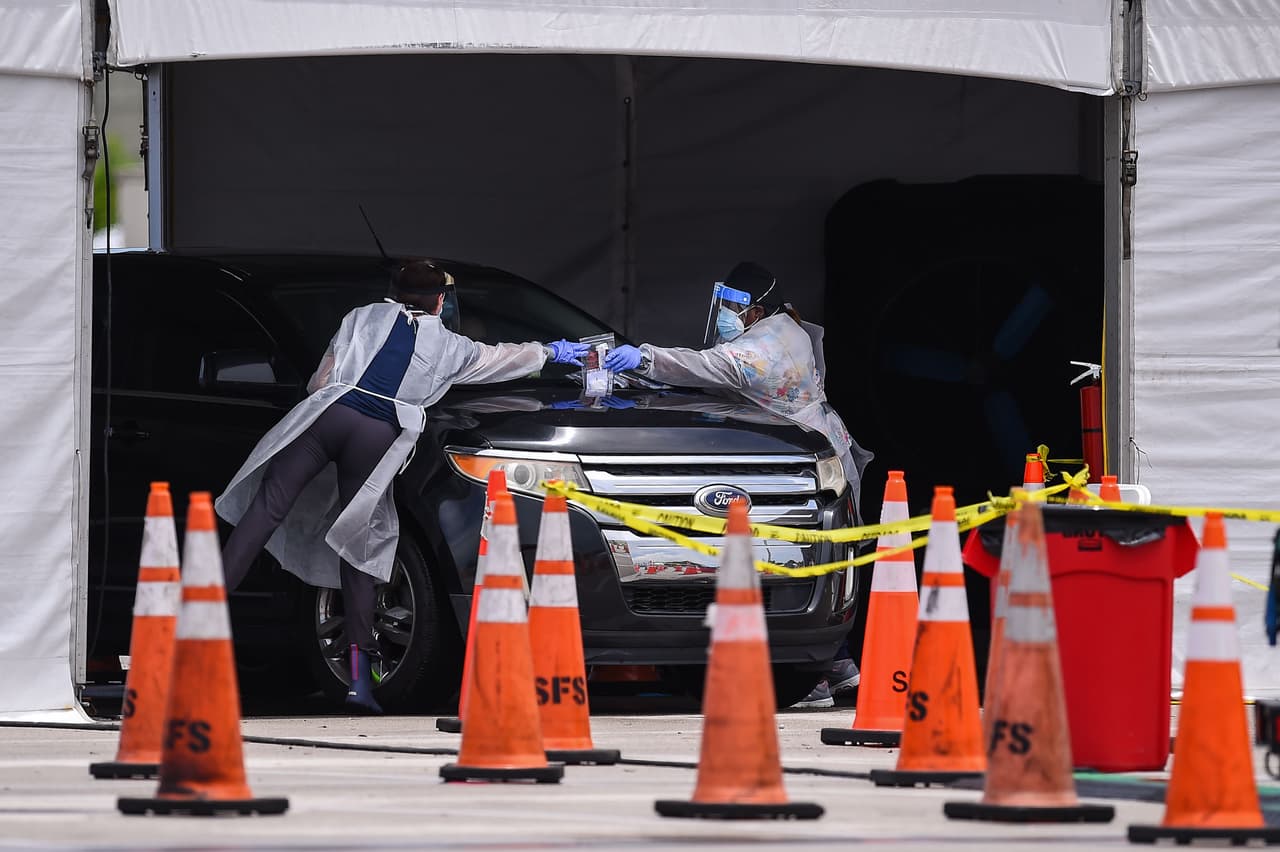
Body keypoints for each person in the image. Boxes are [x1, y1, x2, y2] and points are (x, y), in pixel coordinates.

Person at [215, 260, 587, 714]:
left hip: (330, 414)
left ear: (392, 292)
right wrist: (553, 352)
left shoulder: (361, 316)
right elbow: (503, 360)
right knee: (359, 548)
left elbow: (320, 380)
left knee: (266, 509)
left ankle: (200, 607)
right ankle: (360, 683)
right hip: (379, 432)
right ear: (440, 301)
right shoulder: (452, 345)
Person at [603, 260, 870, 709]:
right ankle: (834, 668)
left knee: (797, 567)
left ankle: (821, 674)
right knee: (809, 567)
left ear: (756, 311)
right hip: (811, 454)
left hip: (805, 467)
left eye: (733, 306)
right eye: (722, 303)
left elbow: (708, 368)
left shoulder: (764, 348)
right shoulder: (784, 329)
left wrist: (643, 359)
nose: (725, 313)